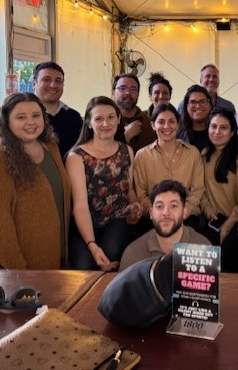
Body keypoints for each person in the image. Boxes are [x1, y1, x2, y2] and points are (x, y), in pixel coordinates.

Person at [0, 92, 71, 269]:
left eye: (36, 115)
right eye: (21, 117)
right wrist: (19, 272)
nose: (31, 122)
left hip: (53, 264)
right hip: (11, 275)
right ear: (6, 121)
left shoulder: (49, 145)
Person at [66, 97, 143, 271]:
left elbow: (129, 190)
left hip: (118, 218)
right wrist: (92, 245)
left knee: (111, 253)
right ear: (89, 123)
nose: (106, 123)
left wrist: (135, 204)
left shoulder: (126, 150)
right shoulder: (76, 157)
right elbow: (80, 206)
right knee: (83, 268)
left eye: (111, 117)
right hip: (86, 220)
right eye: (99, 119)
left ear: (118, 120)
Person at [133, 102, 205, 230]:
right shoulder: (141, 156)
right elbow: (141, 194)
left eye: (171, 121)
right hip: (153, 218)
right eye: (161, 122)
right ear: (153, 125)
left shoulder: (192, 153)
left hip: (186, 217)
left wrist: (184, 210)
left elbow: (197, 190)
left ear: (178, 125)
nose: (167, 126)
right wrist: (155, 212)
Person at [119, 180, 210, 272]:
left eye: (173, 206)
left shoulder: (204, 249)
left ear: (184, 211)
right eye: (159, 206)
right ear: (151, 213)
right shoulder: (133, 254)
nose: (166, 212)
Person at [201, 108, 238, 271]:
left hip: (236, 221)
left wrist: (230, 223)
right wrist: (208, 210)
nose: (217, 132)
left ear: (232, 132)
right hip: (210, 219)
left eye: (223, 127)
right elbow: (199, 189)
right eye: (213, 126)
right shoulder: (204, 155)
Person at [32, 61, 82, 159]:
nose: (53, 85)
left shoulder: (74, 118)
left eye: (58, 81)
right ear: (34, 83)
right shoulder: (24, 117)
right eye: (46, 79)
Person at [112, 73, 156, 154]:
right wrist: (125, 137)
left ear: (138, 94)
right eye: (122, 88)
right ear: (113, 92)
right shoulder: (104, 122)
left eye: (133, 89)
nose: (128, 92)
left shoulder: (149, 123)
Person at [177, 84, 212, 152]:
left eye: (203, 102)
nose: (198, 106)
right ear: (186, 106)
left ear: (210, 105)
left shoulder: (218, 131)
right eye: (193, 102)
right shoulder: (177, 133)